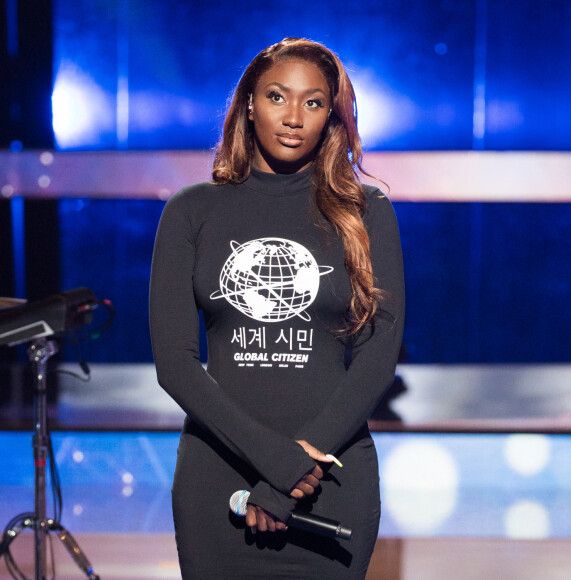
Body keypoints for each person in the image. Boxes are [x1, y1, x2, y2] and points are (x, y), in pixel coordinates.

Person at [149, 37, 405, 579]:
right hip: (218, 476)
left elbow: (379, 356)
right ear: (248, 103)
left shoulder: (366, 213)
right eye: (276, 96)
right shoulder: (192, 211)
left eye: (313, 102)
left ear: (330, 117)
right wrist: (275, 461)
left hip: (330, 478)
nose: (294, 118)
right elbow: (173, 362)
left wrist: (295, 470)